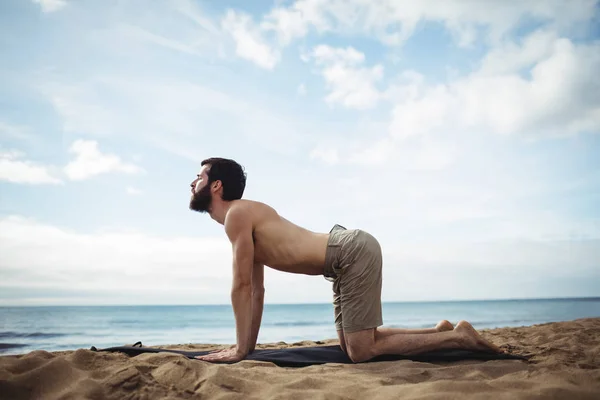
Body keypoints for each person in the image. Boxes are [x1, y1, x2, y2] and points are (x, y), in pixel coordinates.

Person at [190, 157, 503, 363]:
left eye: (199, 176)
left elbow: (241, 287)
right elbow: (255, 291)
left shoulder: (238, 214)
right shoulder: (242, 217)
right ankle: (441, 332)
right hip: (340, 261)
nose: (193, 183)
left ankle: (460, 337)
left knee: (360, 351)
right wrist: (247, 349)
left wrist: (240, 351)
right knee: (352, 344)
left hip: (348, 251)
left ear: (216, 185)